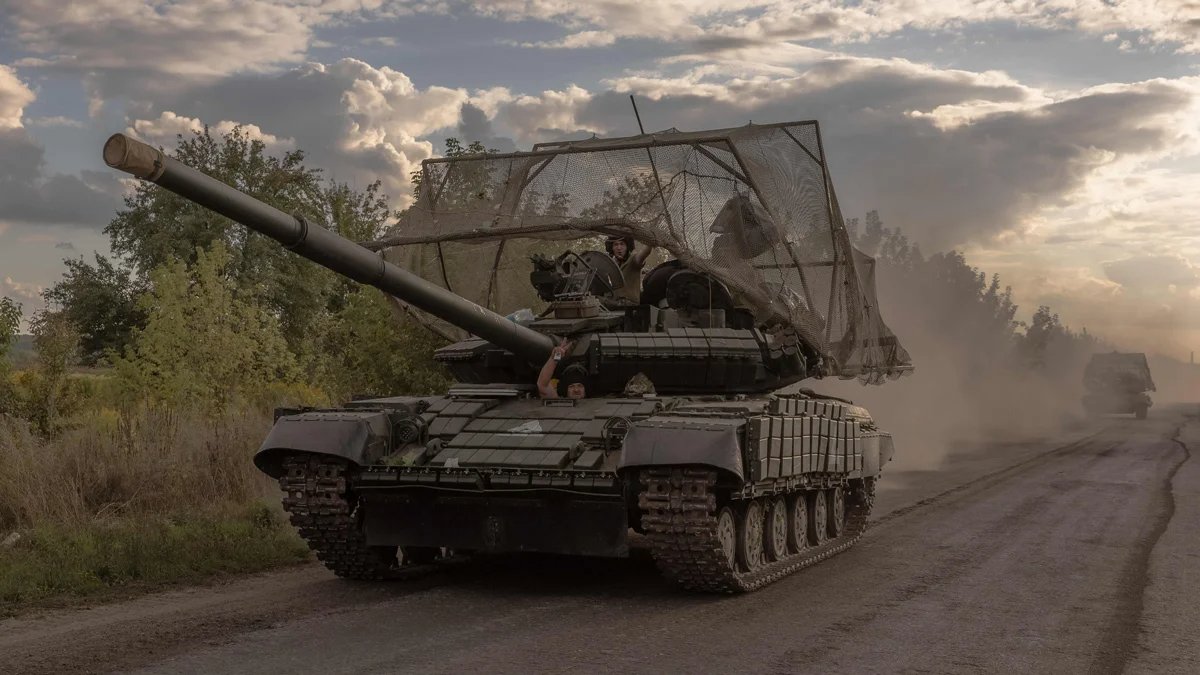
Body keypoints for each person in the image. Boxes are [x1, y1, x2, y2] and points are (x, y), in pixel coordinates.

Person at [606, 235, 654, 303]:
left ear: (627, 247)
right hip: (613, 306)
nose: (619, 248)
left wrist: (650, 241)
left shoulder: (633, 261)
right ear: (612, 248)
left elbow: (645, 252)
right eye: (615, 245)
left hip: (630, 307)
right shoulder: (610, 264)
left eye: (622, 244)